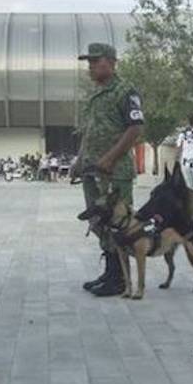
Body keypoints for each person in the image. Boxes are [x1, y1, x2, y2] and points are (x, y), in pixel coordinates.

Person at [76, 42, 144, 296]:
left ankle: (120, 279)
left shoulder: (126, 91)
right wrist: (79, 160)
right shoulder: (95, 95)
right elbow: (89, 133)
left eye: (96, 61)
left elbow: (135, 128)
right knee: (98, 223)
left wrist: (110, 158)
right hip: (92, 172)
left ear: (112, 62)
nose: (91, 67)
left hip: (115, 173)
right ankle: (110, 271)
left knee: (118, 224)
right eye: (89, 62)